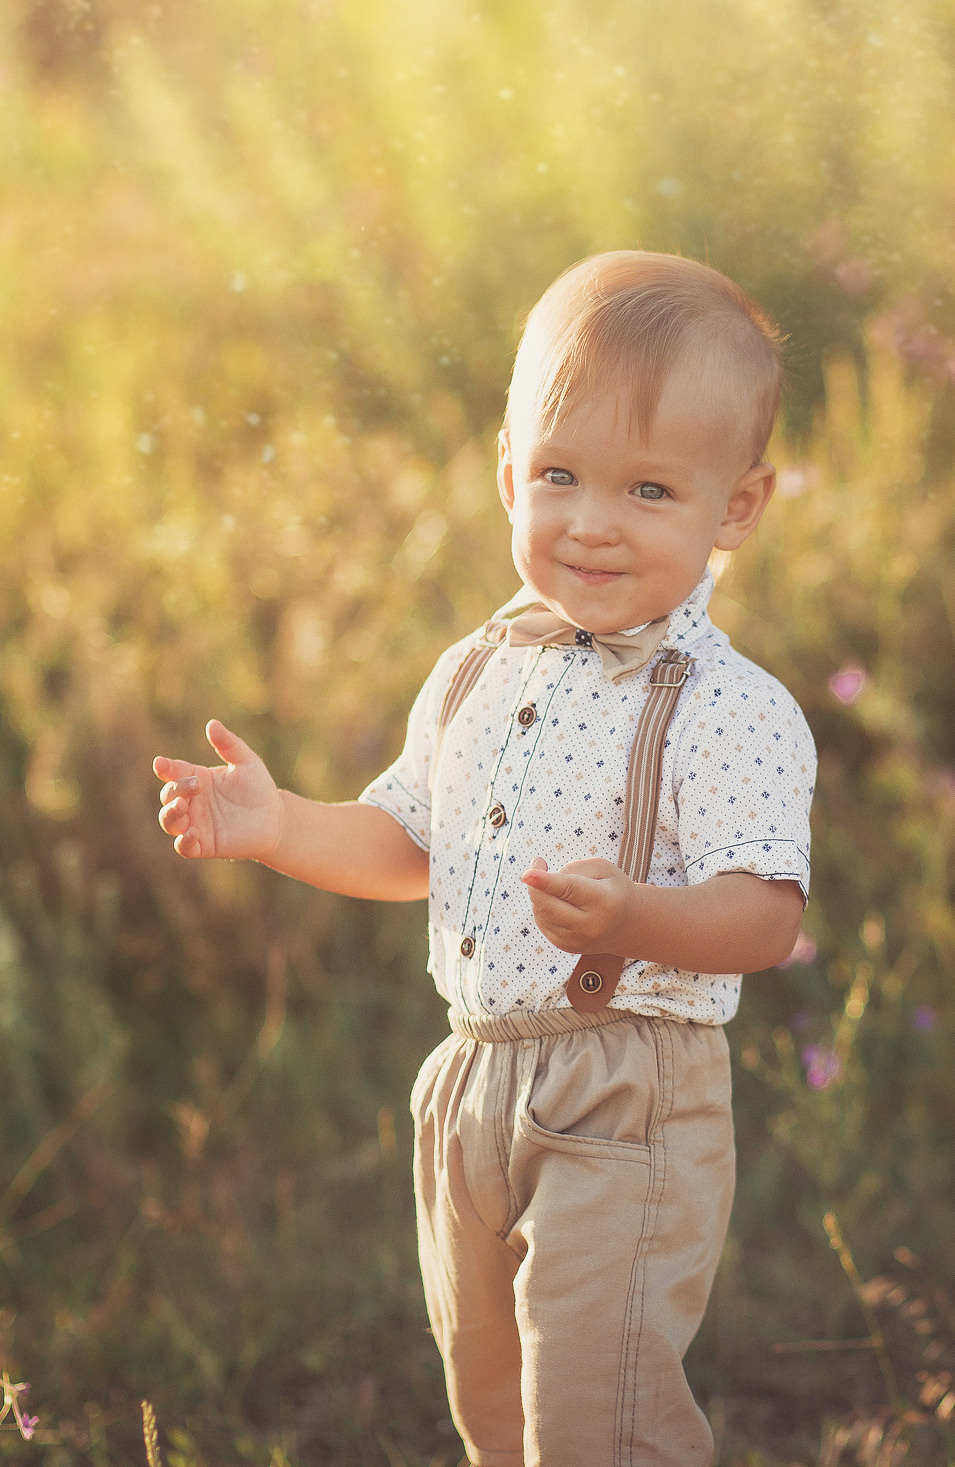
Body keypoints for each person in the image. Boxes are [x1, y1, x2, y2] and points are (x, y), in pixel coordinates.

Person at [153, 251, 817, 1466]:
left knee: (596, 1417)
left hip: (625, 1092)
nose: (592, 521)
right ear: (509, 472)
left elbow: (764, 918)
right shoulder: (476, 671)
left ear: (735, 509)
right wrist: (283, 825)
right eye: (559, 474)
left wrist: (636, 917)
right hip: (470, 1087)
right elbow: (410, 840)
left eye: (651, 490)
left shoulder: (730, 709)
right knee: (497, 1410)